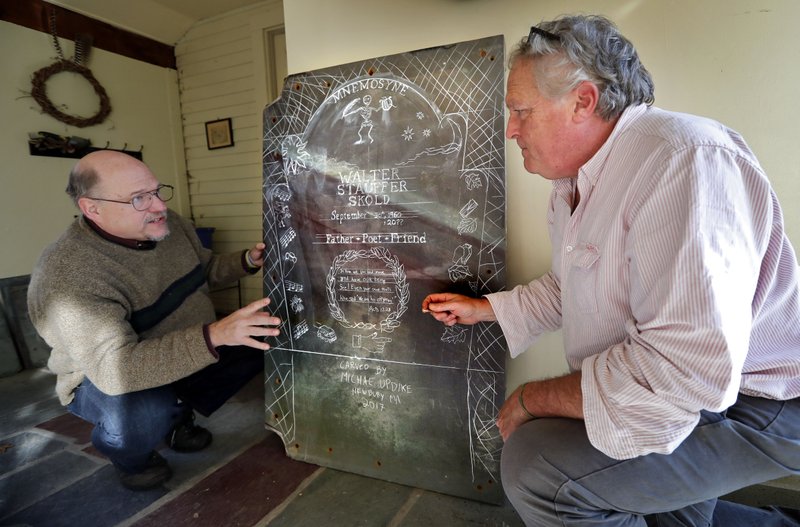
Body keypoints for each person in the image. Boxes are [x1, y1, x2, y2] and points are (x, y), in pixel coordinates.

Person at [423, 14, 800, 526]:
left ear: (583, 100)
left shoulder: (684, 161)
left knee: (539, 467)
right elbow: (573, 282)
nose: (510, 130)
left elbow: (682, 372)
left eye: (520, 112)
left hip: (761, 398)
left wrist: (532, 399)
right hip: (697, 389)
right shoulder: (574, 184)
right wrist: (486, 309)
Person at [27, 150, 281, 491]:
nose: (159, 206)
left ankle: (177, 415)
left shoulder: (167, 223)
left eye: (157, 191)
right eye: (138, 198)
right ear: (92, 208)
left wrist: (247, 261)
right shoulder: (68, 275)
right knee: (142, 414)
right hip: (103, 375)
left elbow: (201, 270)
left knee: (267, 335)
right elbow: (118, 370)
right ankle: (131, 454)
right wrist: (216, 334)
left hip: (180, 347)